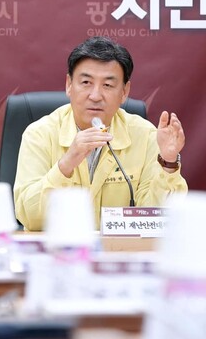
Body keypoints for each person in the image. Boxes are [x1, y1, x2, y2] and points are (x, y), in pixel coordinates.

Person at [14, 36, 188, 230]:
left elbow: (156, 219)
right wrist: (66, 164)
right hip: (60, 247)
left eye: (107, 85)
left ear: (124, 92)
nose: (95, 96)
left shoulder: (146, 136)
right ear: (69, 85)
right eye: (86, 82)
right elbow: (30, 218)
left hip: (120, 248)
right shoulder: (39, 134)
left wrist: (168, 163)